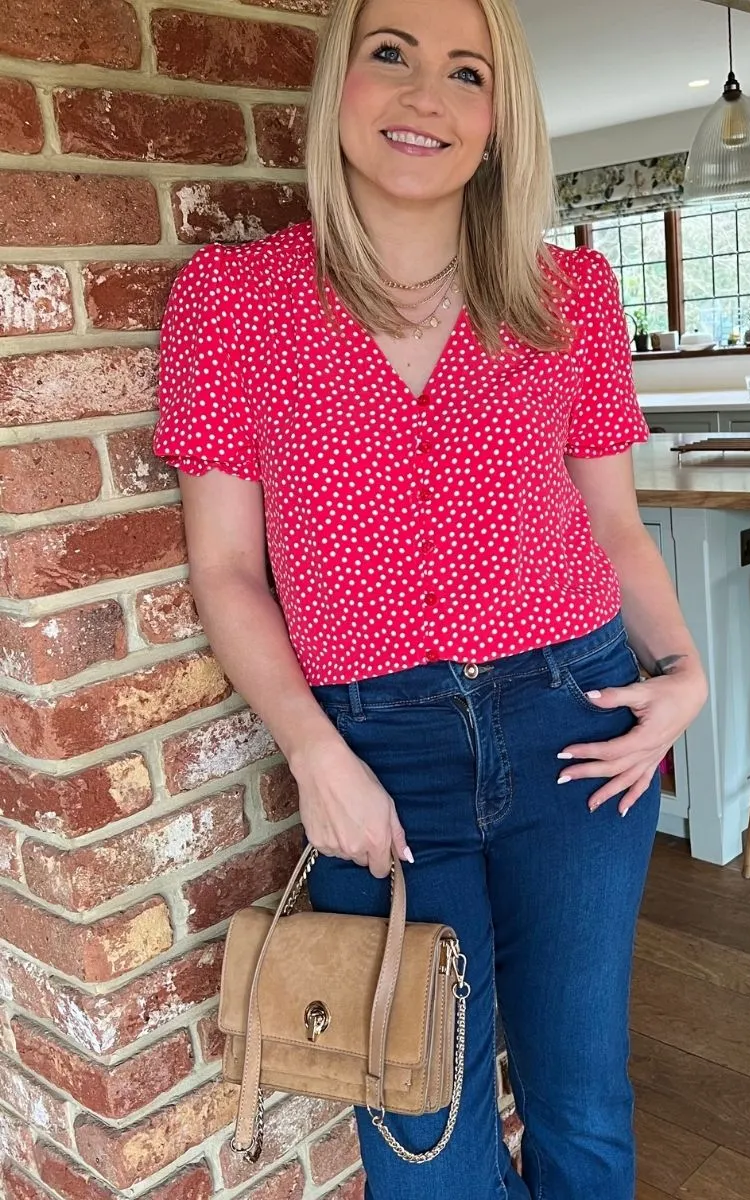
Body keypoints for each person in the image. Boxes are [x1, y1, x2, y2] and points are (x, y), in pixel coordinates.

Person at [152, 0, 708, 1194]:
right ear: (336, 85)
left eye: (467, 72)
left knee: (578, 1098)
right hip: (376, 755)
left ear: (499, 117)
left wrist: (683, 673)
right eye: (390, 55)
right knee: (418, 1137)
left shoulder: (570, 296)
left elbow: (613, 524)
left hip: (574, 727)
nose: (426, 98)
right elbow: (227, 571)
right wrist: (312, 751)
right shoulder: (234, 302)